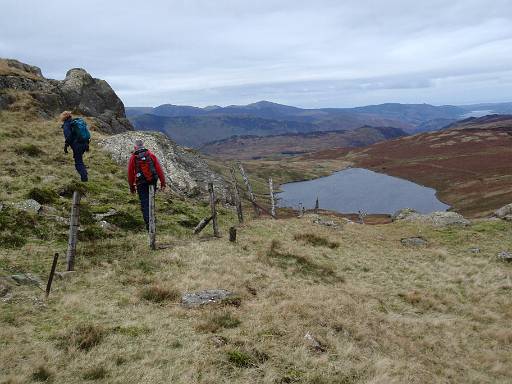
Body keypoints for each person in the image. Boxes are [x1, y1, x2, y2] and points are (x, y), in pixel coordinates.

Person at [127, 140, 166, 229]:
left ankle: (149, 224)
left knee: (144, 202)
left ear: (135, 147)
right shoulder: (151, 155)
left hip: (141, 182)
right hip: (152, 180)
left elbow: (130, 173)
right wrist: (163, 183)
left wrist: (132, 187)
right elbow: (159, 169)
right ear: (143, 145)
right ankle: (152, 220)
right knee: (151, 199)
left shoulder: (133, 157)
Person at [60, 111, 89, 182]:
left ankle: (84, 178)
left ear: (63, 117)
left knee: (78, 162)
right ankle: (84, 172)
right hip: (84, 144)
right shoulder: (76, 122)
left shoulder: (67, 124)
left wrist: (66, 146)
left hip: (78, 145)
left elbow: (68, 137)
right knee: (79, 159)